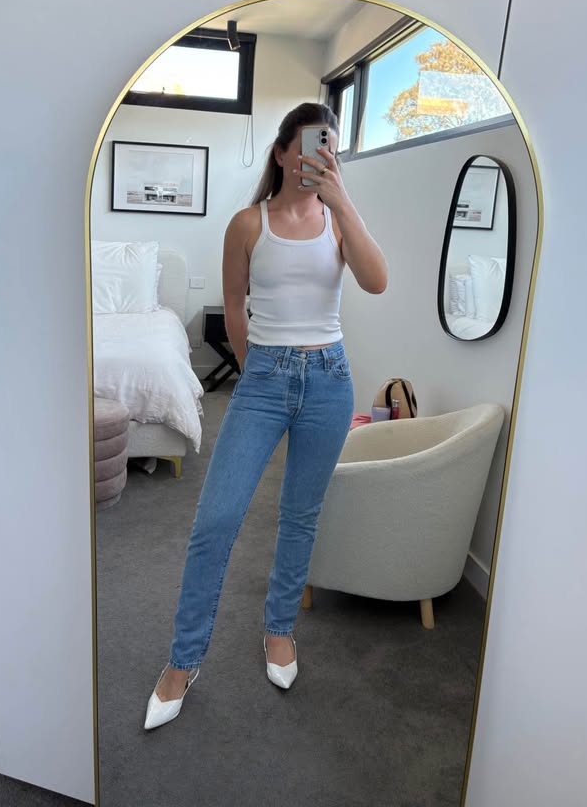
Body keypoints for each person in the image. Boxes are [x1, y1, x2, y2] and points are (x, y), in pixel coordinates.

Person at [144, 102, 388, 730]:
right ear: (282, 152)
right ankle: (183, 660)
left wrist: (342, 199)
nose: (317, 156)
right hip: (264, 380)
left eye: (328, 146)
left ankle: (279, 629)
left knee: (300, 517)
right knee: (215, 520)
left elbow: (377, 281)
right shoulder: (247, 224)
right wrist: (256, 368)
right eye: (307, 144)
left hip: (330, 381)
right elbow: (234, 302)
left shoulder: (338, 220)